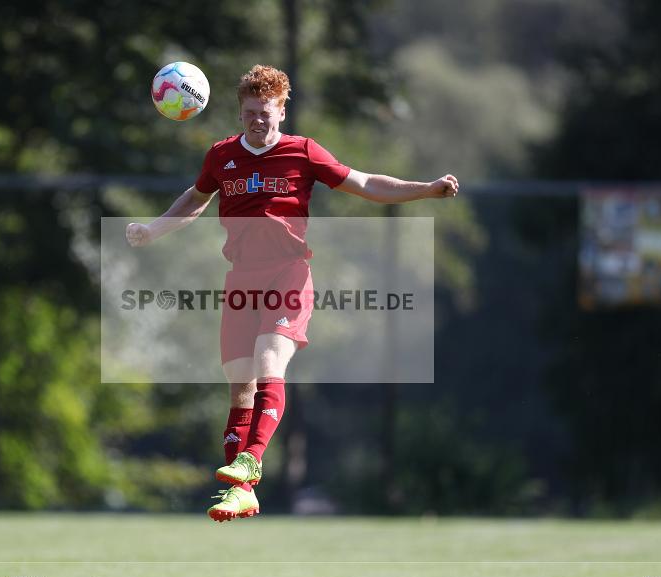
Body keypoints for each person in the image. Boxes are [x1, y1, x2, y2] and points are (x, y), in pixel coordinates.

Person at [126, 64, 458, 522]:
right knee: (240, 388)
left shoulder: (303, 152)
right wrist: (153, 229)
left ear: (282, 111)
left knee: (269, 363)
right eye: (249, 113)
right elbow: (196, 199)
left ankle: (251, 461)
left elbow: (365, 183)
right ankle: (241, 492)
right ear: (239, 113)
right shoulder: (222, 155)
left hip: (288, 275)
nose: (257, 120)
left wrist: (426, 190)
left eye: (265, 112)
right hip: (242, 280)